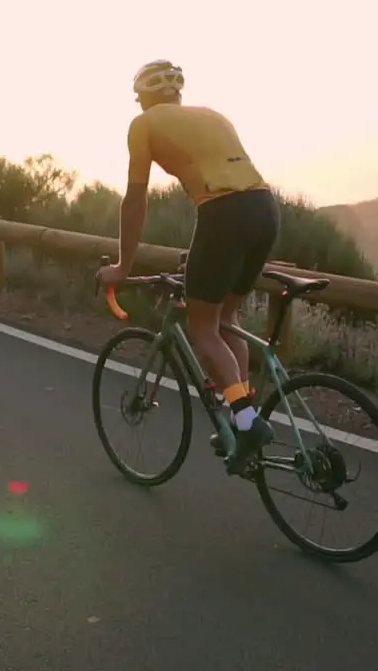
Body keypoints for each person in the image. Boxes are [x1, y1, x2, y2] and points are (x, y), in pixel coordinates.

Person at [95, 59, 281, 470]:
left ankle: (248, 423)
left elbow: (136, 200)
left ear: (143, 97)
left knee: (202, 327)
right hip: (265, 209)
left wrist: (124, 267)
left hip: (224, 215)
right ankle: (241, 414)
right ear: (178, 94)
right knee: (227, 316)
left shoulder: (142, 125)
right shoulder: (214, 115)